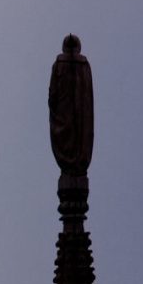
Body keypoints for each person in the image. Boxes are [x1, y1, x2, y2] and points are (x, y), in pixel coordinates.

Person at [48, 34, 93, 178]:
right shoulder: (84, 65)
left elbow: (53, 95)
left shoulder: (59, 65)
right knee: (80, 137)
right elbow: (88, 96)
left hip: (65, 115)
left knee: (67, 139)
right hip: (82, 119)